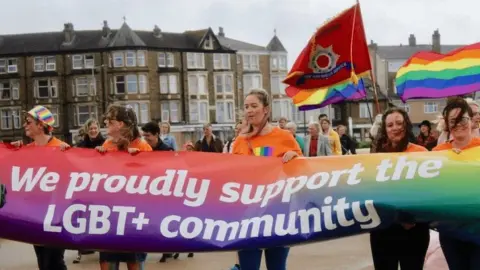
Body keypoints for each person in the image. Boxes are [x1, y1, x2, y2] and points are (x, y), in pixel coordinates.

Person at [232, 88, 302, 270]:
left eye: (254, 106)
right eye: (246, 106)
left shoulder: (284, 136)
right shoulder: (239, 141)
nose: (249, 110)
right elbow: (231, 176)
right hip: (247, 215)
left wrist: (294, 158)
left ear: (266, 110)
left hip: (277, 214)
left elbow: (303, 172)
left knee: (277, 267)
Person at [369, 107, 430, 270]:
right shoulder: (377, 156)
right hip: (384, 229)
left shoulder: (421, 153)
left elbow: (429, 190)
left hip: (414, 228)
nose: (395, 128)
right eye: (389, 125)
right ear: (384, 130)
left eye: (399, 123)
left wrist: (412, 217)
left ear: (407, 125)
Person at [11, 105, 68, 270]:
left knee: (54, 261)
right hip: (36, 214)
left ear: (41, 125)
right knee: (43, 261)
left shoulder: (61, 147)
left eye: (28, 122)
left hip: (56, 214)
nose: (25, 125)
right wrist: (13, 152)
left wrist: (68, 156)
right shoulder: (27, 150)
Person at [96, 104, 152, 270]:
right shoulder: (106, 145)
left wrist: (140, 161)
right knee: (108, 264)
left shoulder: (142, 147)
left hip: (132, 220)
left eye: (109, 119)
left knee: (134, 263)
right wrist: (96, 160)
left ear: (119, 124)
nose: (105, 122)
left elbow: (154, 181)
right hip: (109, 218)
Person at [432, 97, 480, 270]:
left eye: (463, 119)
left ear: (472, 121)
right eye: (453, 121)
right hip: (450, 228)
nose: (459, 124)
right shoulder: (437, 153)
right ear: (447, 125)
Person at [72, 118, 105, 264]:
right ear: (87, 130)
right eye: (90, 128)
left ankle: (102, 244)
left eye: (95, 128)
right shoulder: (81, 145)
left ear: (98, 129)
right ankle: (83, 247)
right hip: (85, 184)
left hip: (101, 184)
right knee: (83, 214)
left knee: (99, 213)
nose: (93, 131)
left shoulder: (105, 143)